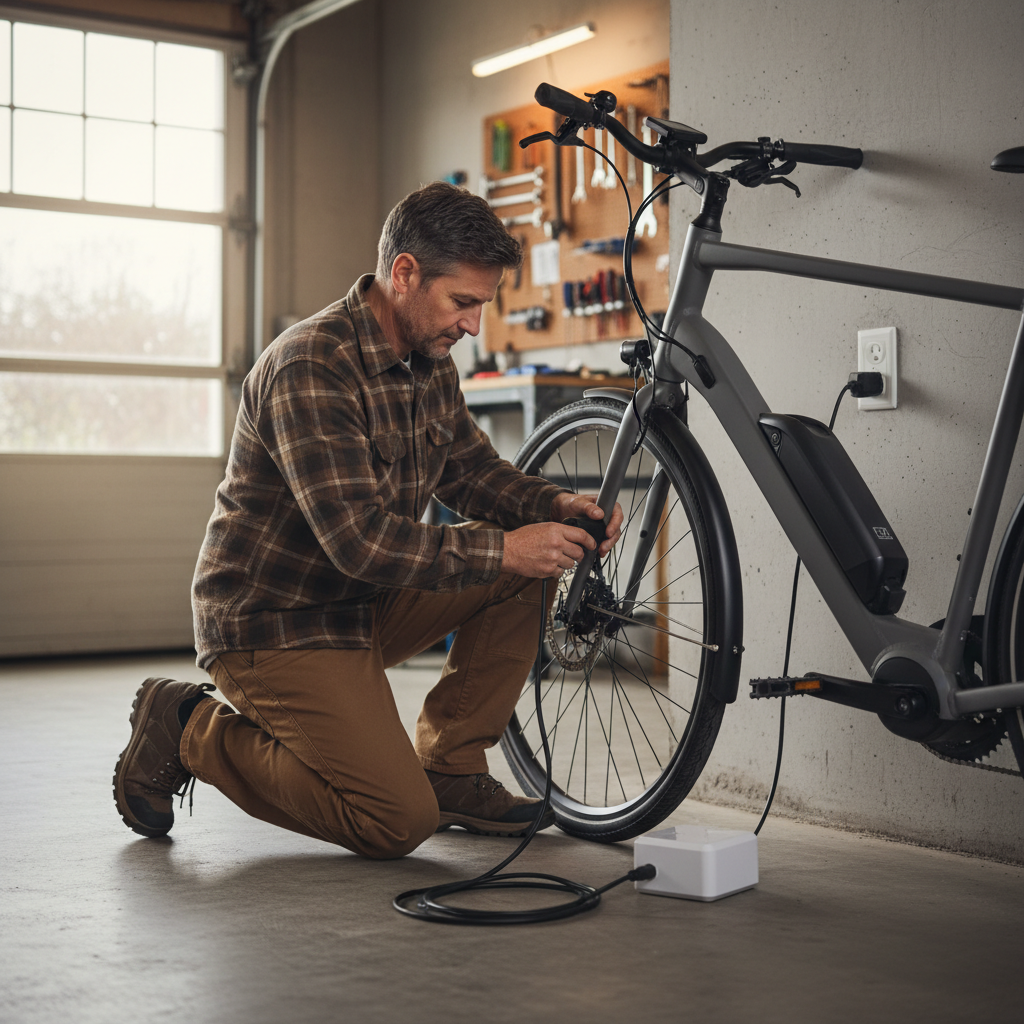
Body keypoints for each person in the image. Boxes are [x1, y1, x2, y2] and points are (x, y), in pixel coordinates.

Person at [112, 181, 621, 859]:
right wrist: (507, 549)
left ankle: (451, 768)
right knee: (395, 821)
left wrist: (554, 508)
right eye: (463, 302)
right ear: (404, 274)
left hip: (362, 604)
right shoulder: (310, 366)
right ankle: (187, 728)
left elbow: (471, 472)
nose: (474, 326)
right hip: (276, 624)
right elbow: (359, 542)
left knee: (533, 560)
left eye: (483, 305)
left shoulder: (429, 361)